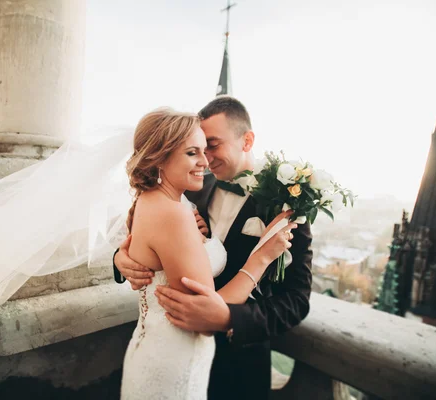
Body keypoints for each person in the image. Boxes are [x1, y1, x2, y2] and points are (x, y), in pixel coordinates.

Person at [114, 96, 313, 399]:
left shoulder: (285, 205)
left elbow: (297, 299)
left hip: (239, 366)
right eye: (196, 149)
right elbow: (149, 239)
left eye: (212, 145)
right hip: (177, 354)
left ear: (247, 140)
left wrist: (230, 318)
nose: (206, 159)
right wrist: (121, 259)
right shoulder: (188, 188)